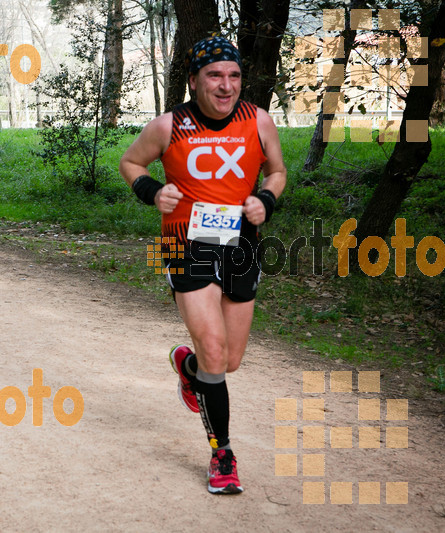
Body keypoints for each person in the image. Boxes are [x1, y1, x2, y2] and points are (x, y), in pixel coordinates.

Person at [119, 36, 287, 495]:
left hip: (241, 244)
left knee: (228, 361)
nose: (226, 84)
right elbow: (131, 163)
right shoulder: (168, 125)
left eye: (233, 75)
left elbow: (277, 171)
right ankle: (222, 454)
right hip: (184, 244)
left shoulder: (259, 122)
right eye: (215, 75)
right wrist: (153, 192)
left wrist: (266, 200)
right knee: (214, 348)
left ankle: (190, 369)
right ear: (193, 81)